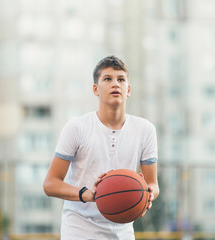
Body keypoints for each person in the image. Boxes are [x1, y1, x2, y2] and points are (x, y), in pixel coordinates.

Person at [43, 55, 159, 240]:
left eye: (121, 79)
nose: (115, 84)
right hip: (79, 226)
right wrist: (87, 195)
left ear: (128, 89)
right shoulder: (77, 127)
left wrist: (148, 194)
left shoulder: (145, 130)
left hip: (122, 227)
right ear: (95, 89)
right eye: (108, 79)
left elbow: (153, 184)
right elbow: (50, 184)